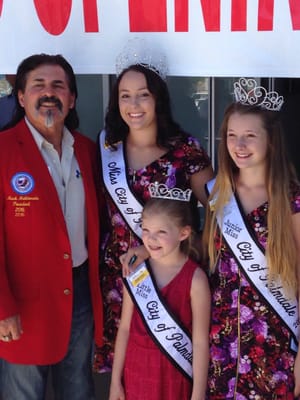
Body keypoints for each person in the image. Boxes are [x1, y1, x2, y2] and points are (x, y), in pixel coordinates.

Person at [94, 37, 213, 373]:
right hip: (120, 279)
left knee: (167, 373)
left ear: (158, 99)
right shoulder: (107, 148)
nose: (134, 104)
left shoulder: (185, 150)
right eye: (125, 95)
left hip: (169, 278)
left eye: (143, 94)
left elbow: (221, 211)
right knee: (127, 375)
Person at [0, 53, 103, 400]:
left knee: (78, 387)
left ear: (71, 98)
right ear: (21, 96)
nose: (48, 93)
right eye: (38, 85)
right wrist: (2, 308)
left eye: (58, 86)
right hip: (23, 300)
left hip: (80, 294)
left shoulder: (87, 150)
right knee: (23, 393)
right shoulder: (2, 151)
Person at [203, 77, 300, 398]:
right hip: (223, 343)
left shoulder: (291, 200)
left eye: (249, 136)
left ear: (271, 140)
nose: (238, 145)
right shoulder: (218, 193)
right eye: (231, 135)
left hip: (274, 343)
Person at [109, 183, 211, 400]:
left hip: (174, 375)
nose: (150, 239)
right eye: (145, 230)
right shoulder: (136, 272)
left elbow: (201, 341)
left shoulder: (195, 279)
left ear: (184, 233)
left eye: (161, 232)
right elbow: (125, 328)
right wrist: (115, 381)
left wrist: (198, 394)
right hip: (136, 372)